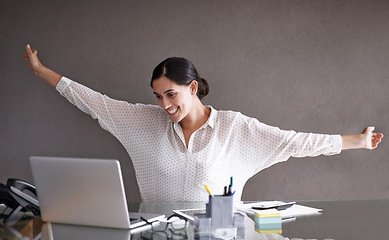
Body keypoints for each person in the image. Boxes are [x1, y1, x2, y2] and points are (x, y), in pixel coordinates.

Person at [22, 44, 383, 202]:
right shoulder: (143, 121)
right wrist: (41, 72)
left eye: (171, 95)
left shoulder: (235, 128)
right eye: (158, 96)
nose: (164, 105)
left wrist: (357, 141)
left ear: (192, 88)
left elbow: (293, 142)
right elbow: (95, 103)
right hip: (154, 234)